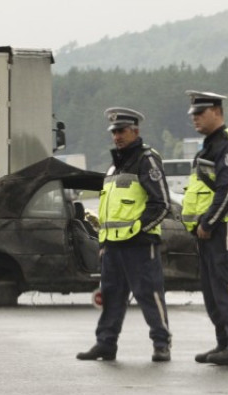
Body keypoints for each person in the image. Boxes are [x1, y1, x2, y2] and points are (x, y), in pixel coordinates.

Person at [77, 107, 172, 362]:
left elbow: (161, 203)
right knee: (111, 296)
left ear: (135, 131)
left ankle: (161, 344)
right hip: (112, 246)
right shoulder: (113, 167)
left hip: (140, 244)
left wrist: (138, 228)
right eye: (114, 132)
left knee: (150, 295)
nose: (117, 136)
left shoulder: (147, 160)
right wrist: (103, 242)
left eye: (122, 131)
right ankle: (105, 344)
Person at [181, 91, 228, 366]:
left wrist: (209, 222)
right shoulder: (210, 145)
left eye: (200, 113)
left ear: (217, 112)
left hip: (222, 228)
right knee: (213, 292)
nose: (195, 119)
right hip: (207, 232)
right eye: (193, 115)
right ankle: (224, 343)